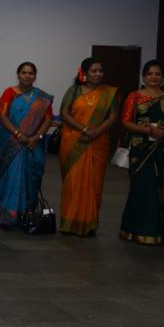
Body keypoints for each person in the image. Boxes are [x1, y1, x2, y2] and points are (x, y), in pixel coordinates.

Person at [119, 60, 164, 246]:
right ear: (144, 77)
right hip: (141, 151)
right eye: (150, 73)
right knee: (141, 189)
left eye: (158, 74)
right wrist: (148, 130)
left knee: (161, 192)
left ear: (163, 78)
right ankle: (135, 231)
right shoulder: (134, 96)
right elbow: (125, 122)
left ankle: (161, 232)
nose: (154, 77)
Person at [58, 57, 119, 236]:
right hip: (73, 141)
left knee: (94, 184)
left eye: (100, 71)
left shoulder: (109, 93)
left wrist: (96, 132)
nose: (98, 74)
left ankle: (89, 224)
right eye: (94, 71)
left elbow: (113, 116)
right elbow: (64, 113)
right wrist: (84, 129)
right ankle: (69, 223)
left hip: (98, 142)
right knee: (72, 183)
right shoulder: (74, 90)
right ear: (84, 73)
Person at [0, 62, 54, 228]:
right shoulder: (9, 93)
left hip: (33, 144)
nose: (27, 76)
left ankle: (27, 215)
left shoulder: (42, 97)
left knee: (30, 179)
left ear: (35, 76)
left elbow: (48, 119)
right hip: (12, 143)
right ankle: (9, 215)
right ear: (18, 75)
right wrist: (17, 134)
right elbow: (2, 115)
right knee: (11, 177)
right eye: (24, 72)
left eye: (31, 73)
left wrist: (37, 137)